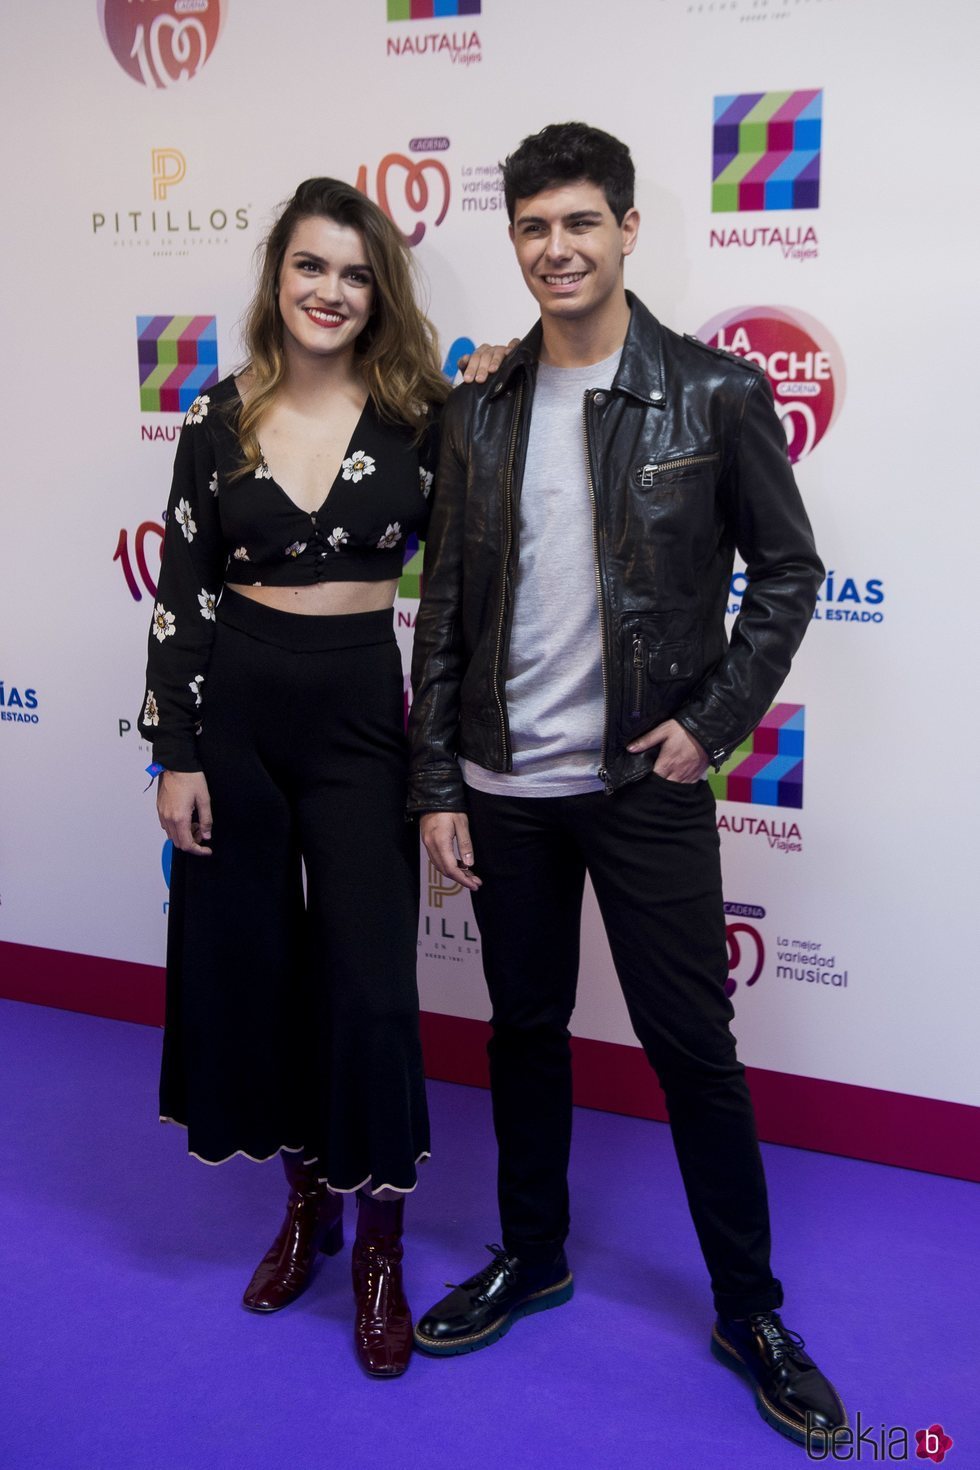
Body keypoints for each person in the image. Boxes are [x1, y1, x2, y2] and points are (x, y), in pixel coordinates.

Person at [407, 124, 846, 1446]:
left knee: (693, 1051)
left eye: (581, 223)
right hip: (501, 781)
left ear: (630, 229)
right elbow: (442, 617)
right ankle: (531, 1256)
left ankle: (750, 1310)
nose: (558, 248)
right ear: (518, 242)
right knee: (524, 1033)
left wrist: (705, 726)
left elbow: (787, 570)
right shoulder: (478, 405)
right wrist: (437, 780)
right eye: (535, 227)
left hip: (642, 782)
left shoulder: (710, 394)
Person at [139, 177, 507, 1378]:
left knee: (366, 985)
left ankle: (380, 1251)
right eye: (310, 267)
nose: (330, 292)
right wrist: (176, 754)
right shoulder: (215, 416)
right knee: (263, 970)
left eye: (354, 273)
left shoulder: (423, 416)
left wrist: (502, 371)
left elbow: (461, 583)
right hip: (235, 710)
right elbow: (181, 596)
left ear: (377, 290)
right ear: (277, 278)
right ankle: (306, 1210)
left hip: (358, 715)